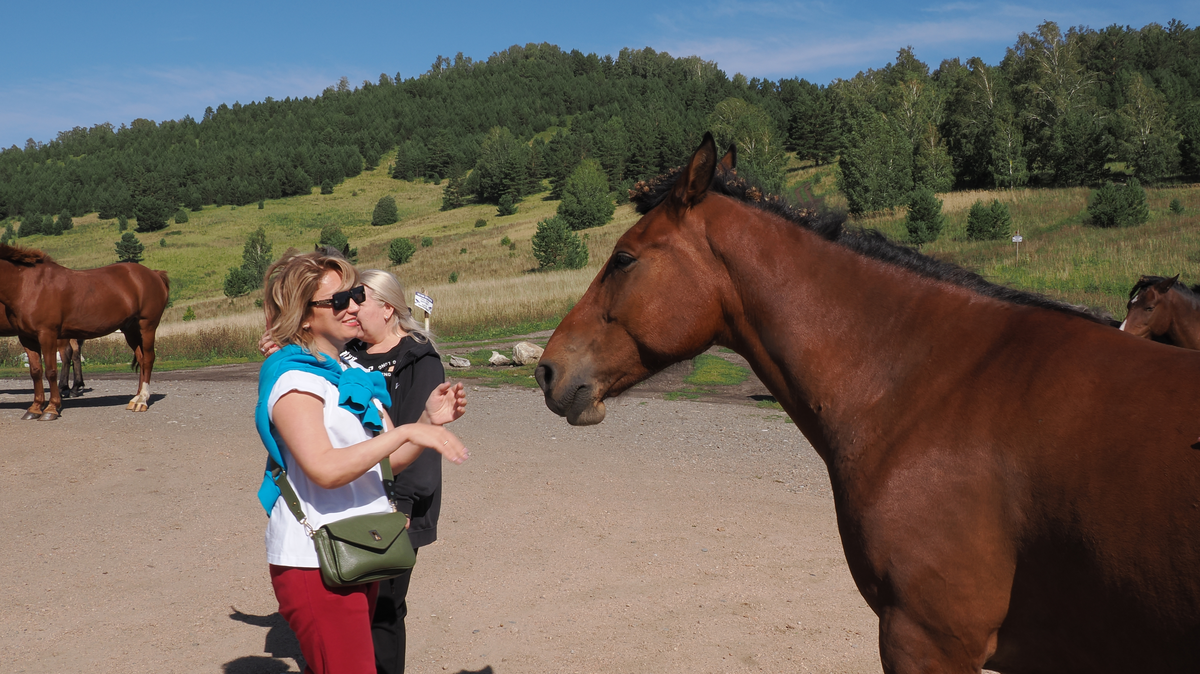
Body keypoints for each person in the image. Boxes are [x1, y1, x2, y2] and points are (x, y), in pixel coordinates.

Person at [254, 250, 468, 674]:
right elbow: (326, 469)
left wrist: (427, 419)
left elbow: (387, 465)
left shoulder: (349, 378)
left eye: (354, 295)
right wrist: (405, 431)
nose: (352, 307)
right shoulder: (296, 381)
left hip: (358, 548)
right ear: (304, 316)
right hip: (316, 561)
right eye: (337, 301)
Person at [339, 270, 445, 674]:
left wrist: (403, 502)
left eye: (359, 300)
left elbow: (422, 439)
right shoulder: (344, 352)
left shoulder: (418, 359)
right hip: (345, 493)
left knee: (384, 607)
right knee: (347, 602)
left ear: (387, 308)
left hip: (395, 504)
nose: (350, 308)